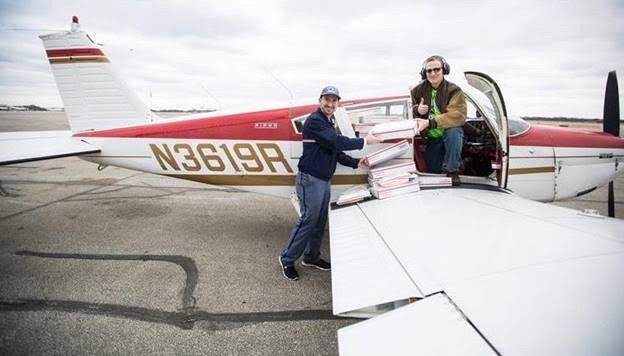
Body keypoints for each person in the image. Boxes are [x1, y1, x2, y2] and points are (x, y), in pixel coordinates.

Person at [278, 86, 381, 281]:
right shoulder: (315, 120)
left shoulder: (328, 121)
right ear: (320, 100)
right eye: (327, 100)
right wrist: (364, 141)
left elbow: (333, 149)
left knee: (319, 221)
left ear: (337, 103)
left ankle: (311, 257)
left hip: (323, 178)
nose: (330, 104)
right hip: (310, 178)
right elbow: (336, 141)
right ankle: (287, 259)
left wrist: (355, 162)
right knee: (308, 220)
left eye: (334, 101)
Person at [411, 55, 467, 185]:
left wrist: (429, 122)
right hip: (431, 137)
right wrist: (417, 110)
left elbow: (458, 114)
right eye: (429, 71)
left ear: (444, 70)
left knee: (454, 131)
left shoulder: (454, 90)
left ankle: (453, 171)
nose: (433, 73)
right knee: (433, 171)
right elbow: (408, 108)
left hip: (448, 133)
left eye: (436, 69)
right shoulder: (417, 90)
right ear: (424, 73)